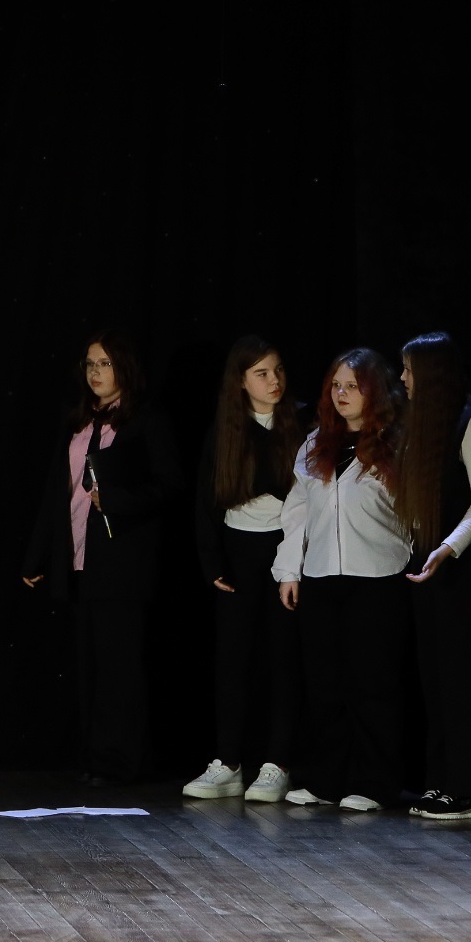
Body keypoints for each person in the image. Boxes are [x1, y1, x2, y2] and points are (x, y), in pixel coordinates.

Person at [22, 330, 181, 787]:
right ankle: (94, 758)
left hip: (122, 560)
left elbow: (169, 484)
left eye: (105, 363)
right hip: (78, 558)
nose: (95, 372)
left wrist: (117, 500)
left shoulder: (146, 421)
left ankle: (123, 762)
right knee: (90, 665)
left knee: (120, 667)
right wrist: (37, 555)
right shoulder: (77, 421)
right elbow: (58, 492)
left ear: (124, 367)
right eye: (90, 364)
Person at [272, 349, 410, 813]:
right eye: (336, 385)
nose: (342, 393)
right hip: (321, 574)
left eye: (353, 385)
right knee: (324, 684)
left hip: (377, 575)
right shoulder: (315, 444)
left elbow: (414, 512)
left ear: (375, 391)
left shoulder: (396, 443)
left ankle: (374, 783)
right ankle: (324, 779)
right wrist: (288, 571)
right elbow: (296, 513)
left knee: (372, 683)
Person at [183, 337, 311, 803]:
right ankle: (229, 762)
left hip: (287, 547)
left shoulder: (302, 421)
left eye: (278, 370)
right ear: (240, 381)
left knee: (283, 656)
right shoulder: (226, 427)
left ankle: (277, 763)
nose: (273, 381)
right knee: (233, 659)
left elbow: (293, 486)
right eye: (261, 373)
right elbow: (208, 497)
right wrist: (211, 560)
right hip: (239, 548)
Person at [395, 331, 471, 821]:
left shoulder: (470, 424)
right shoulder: (423, 425)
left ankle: (469, 790)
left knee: (461, 679)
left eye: (409, 370)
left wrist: (447, 548)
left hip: (461, 571)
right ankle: (442, 783)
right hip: (429, 570)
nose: (402, 378)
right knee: (435, 679)